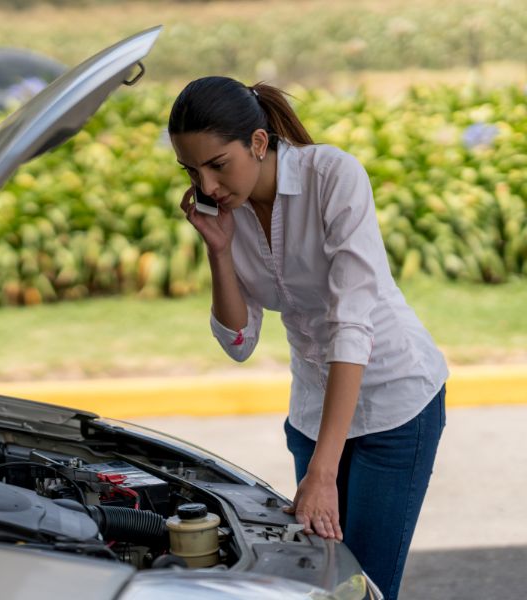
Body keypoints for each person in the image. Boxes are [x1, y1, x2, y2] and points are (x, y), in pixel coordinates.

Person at [168, 76, 448, 600]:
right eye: (192, 170)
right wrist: (219, 250)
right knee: (320, 586)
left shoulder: (333, 176)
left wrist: (321, 472)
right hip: (312, 413)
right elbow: (238, 344)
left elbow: (351, 326)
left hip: (396, 403)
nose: (206, 187)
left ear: (257, 142)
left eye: (217, 165)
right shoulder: (227, 212)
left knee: (363, 588)